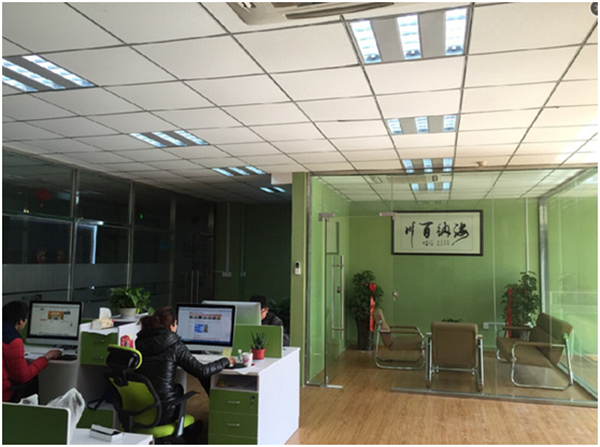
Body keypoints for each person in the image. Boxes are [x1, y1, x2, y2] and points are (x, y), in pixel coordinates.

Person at [135, 306, 236, 441]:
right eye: (176, 323)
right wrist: (225, 361)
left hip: (139, 406)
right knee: (179, 390)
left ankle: (186, 431)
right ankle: (187, 433)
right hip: (164, 411)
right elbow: (202, 371)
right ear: (172, 326)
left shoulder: (140, 342)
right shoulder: (174, 345)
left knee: (175, 388)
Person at [2, 301, 61, 402]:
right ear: (20, 321)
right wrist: (45, 358)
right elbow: (22, 377)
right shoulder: (13, 340)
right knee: (33, 379)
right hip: (4, 394)